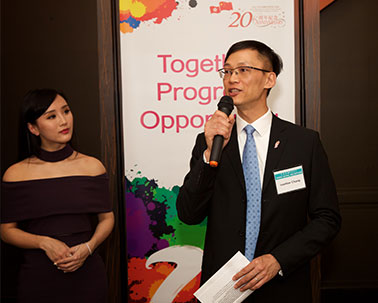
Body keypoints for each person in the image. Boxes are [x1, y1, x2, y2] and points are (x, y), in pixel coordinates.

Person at [176, 40, 341, 302]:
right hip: (224, 288)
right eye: (227, 71)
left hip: (283, 286)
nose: (232, 79)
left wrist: (278, 259)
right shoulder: (212, 141)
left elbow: (327, 218)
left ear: (269, 79)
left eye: (243, 70)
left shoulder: (303, 143)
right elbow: (188, 213)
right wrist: (208, 155)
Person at [0, 89, 115, 302]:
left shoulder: (92, 166)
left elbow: (107, 219)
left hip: (88, 275)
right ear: (33, 128)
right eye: (51, 116)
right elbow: (7, 231)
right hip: (38, 277)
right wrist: (44, 242)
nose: (63, 121)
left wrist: (88, 248)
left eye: (66, 111)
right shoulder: (16, 173)